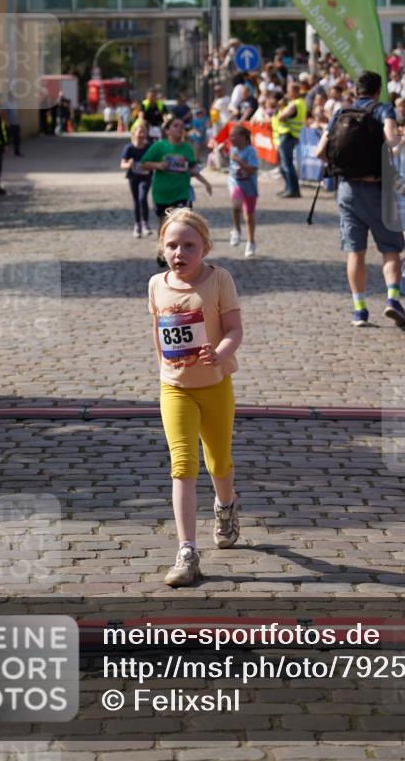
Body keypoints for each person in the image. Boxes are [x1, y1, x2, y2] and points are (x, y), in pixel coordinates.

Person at [148, 208, 243, 587]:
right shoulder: (157, 284)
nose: (179, 252)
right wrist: (167, 369)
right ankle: (187, 551)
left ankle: (226, 506)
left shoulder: (219, 280)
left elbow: (235, 329)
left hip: (216, 385)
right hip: (174, 388)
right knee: (182, 464)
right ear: (162, 248)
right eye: (171, 245)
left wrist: (219, 351)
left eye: (188, 245)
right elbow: (158, 332)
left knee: (219, 460)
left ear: (205, 246)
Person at [315, 70, 405, 330]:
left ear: (356, 90)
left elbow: (320, 152)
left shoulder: (340, 113)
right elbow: (392, 141)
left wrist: (344, 165)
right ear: (378, 90)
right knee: (390, 248)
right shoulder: (383, 110)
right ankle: (392, 299)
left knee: (355, 252)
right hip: (377, 188)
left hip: (347, 191)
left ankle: (359, 310)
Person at [140, 115, 212, 265]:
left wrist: (205, 182)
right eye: (176, 126)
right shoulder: (160, 147)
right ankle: (163, 252)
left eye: (182, 127)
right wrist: (158, 166)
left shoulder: (187, 148)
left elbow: (192, 167)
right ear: (167, 131)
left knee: (184, 223)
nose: (180, 129)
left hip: (182, 192)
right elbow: (143, 164)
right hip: (162, 192)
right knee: (165, 225)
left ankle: (185, 255)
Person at [228, 125, 259, 258]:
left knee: (249, 215)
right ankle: (236, 230)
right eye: (231, 136)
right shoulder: (232, 149)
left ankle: (251, 241)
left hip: (250, 185)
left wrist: (239, 162)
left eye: (234, 136)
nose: (231, 139)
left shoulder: (250, 151)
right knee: (236, 206)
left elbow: (252, 170)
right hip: (235, 182)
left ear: (243, 137)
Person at [120, 122, 153, 237]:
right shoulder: (129, 148)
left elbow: (156, 161)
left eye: (144, 132)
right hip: (133, 177)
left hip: (146, 177)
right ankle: (137, 225)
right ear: (134, 133)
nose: (142, 134)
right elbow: (122, 164)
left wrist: (149, 165)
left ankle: (145, 223)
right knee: (136, 201)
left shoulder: (149, 147)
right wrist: (128, 165)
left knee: (142, 197)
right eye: (139, 132)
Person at [275, 81, 307, 198]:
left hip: (288, 134)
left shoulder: (295, 104)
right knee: (285, 164)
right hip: (291, 135)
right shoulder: (300, 102)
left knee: (287, 164)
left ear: (294, 91)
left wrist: (281, 108)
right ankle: (289, 188)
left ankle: (293, 190)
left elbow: (282, 117)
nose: (287, 92)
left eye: (289, 90)